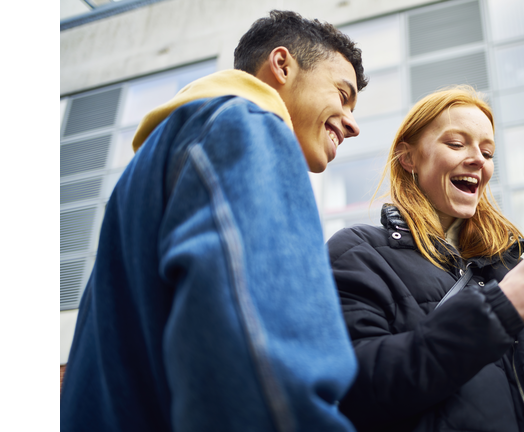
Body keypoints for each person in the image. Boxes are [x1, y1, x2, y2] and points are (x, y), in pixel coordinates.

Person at [60, 10, 367, 432]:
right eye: (342, 93)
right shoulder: (248, 128)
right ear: (282, 65)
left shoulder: (146, 175)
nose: (352, 125)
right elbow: (261, 371)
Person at [326, 86, 524, 432]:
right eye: (457, 144)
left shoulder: (517, 267)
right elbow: (354, 392)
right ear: (409, 158)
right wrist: (501, 309)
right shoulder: (359, 253)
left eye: (487, 151)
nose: (478, 159)